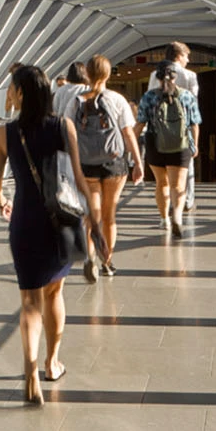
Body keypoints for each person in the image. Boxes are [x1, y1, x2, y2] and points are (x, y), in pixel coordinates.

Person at [0, 64, 92, 406]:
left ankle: (30, 371)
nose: (8, 93)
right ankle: (52, 362)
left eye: (11, 88)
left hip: (25, 222)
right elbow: (78, 178)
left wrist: (2, 202)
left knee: (29, 301)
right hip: (59, 221)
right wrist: (94, 220)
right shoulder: (63, 126)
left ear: (20, 93)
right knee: (55, 291)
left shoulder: (5, 134)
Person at [58, 55, 144, 278]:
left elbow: (68, 132)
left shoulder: (75, 101)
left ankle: (90, 257)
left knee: (92, 215)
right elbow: (128, 133)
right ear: (108, 74)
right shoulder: (117, 99)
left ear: (87, 73)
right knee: (109, 214)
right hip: (114, 164)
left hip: (86, 164)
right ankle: (107, 261)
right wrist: (138, 162)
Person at [138, 62, 202, 237]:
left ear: (157, 77)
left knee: (162, 183)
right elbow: (194, 124)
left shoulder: (149, 97)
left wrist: (131, 147)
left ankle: (164, 218)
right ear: (175, 77)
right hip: (181, 144)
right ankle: (178, 217)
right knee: (178, 185)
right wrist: (195, 144)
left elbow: (141, 122)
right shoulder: (187, 96)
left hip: (155, 143)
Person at [166, 43, 201, 218]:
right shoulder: (190, 76)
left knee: (166, 167)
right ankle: (187, 201)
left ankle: (170, 202)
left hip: (162, 128)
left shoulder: (155, 75)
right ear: (179, 56)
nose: (188, 60)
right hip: (183, 127)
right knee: (187, 166)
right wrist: (196, 139)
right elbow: (193, 104)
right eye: (186, 56)